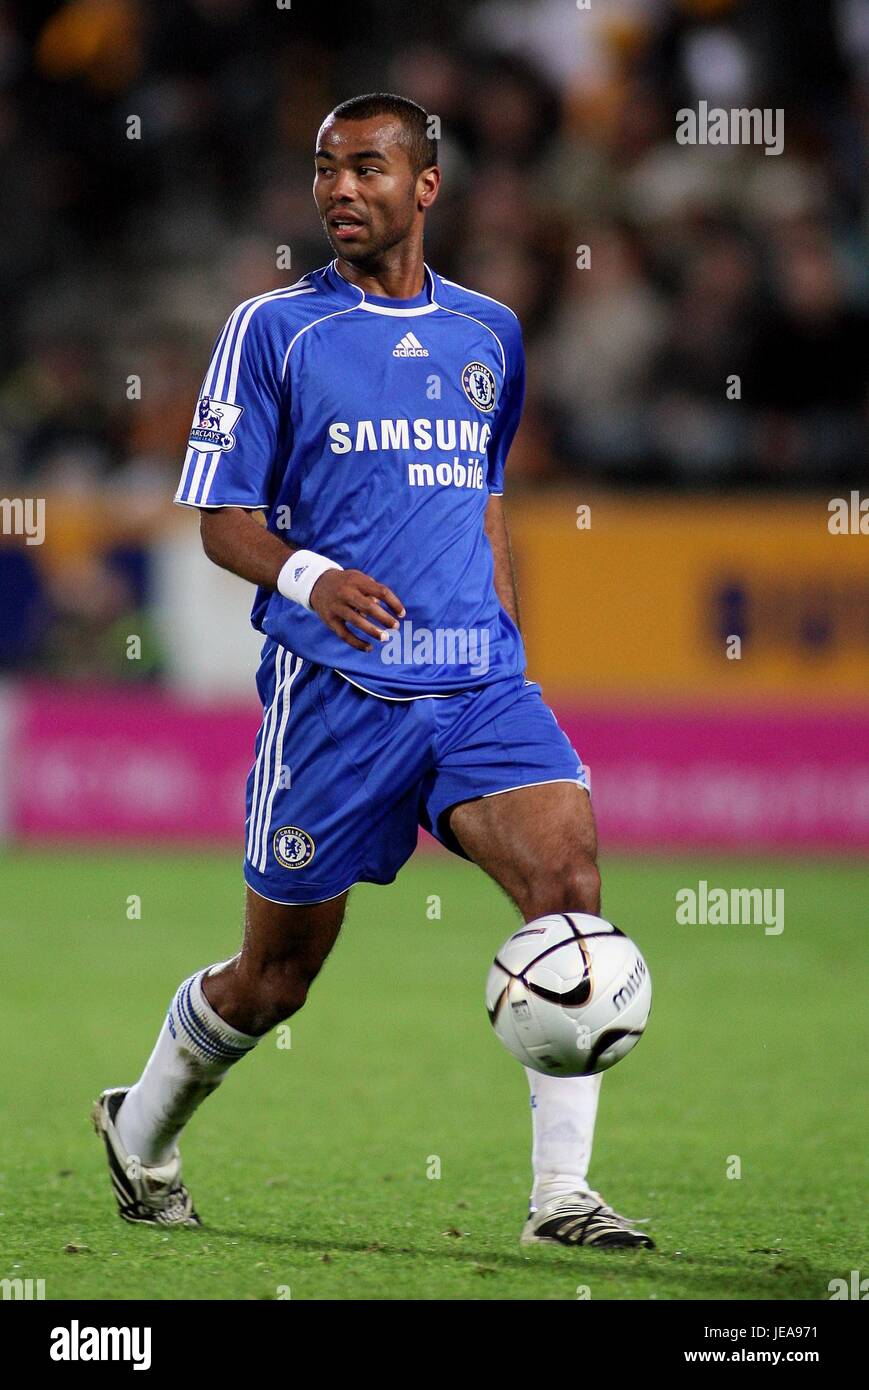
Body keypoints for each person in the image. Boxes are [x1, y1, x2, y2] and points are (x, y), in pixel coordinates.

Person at [93, 92, 653, 1250]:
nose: (340, 189)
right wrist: (310, 579)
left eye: (367, 168)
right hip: (336, 698)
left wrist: (507, 628)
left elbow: (483, 498)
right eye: (325, 170)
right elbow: (221, 521)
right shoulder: (271, 330)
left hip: (477, 685)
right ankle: (138, 1127)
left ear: (425, 186)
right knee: (274, 979)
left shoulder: (489, 331)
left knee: (572, 895)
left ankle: (560, 1197)